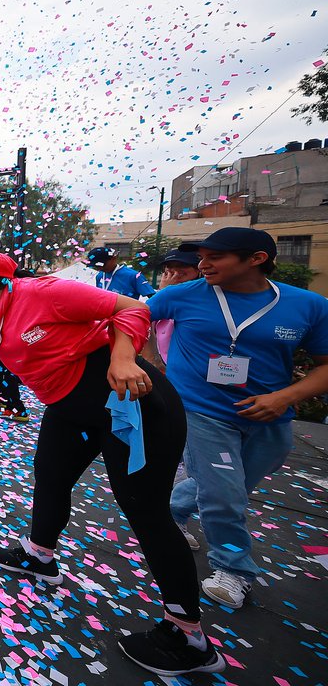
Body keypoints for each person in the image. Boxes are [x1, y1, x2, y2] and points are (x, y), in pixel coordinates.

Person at [0, 250, 221, 677]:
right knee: (50, 477)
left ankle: (189, 636)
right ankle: (39, 555)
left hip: (125, 401)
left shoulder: (44, 293)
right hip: (68, 407)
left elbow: (133, 308)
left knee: (145, 512)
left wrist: (124, 357)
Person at [146, 228, 328, 609]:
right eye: (202, 256)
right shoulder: (180, 296)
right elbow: (128, 318)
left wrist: (286, 397)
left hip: (270, 416)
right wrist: (149, 362)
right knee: (224, 494)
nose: (203, 264)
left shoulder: (308, 306)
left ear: (257, 259)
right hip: (199, 411)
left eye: (216, 257)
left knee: (230, 485)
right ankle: (233, 570)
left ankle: (172, 513)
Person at [86, 246, 156, 300]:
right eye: (96, 266)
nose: (100, 268)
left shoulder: (133, 276)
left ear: (113, 259)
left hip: (126, 316)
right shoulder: (100, 276)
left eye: (101, 265)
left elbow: (153, 297)